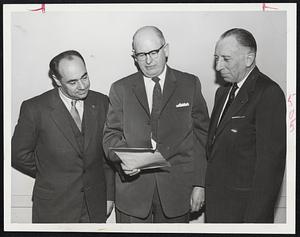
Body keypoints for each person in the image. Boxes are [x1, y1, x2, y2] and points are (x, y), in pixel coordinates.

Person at [103, 26, 209, 223]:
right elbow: (110, 136)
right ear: (134, 57)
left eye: (153, 52)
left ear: (166, 50)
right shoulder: (120, 88)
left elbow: (202, 138)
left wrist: (200, 184)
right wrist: (124, 159)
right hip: (132, 195)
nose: (148, 60)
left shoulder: (190, 84)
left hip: (177, 192)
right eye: (141, 55)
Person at [12, 50, 114, 223]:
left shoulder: (102, 102)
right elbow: (18, 155)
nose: (82, 86)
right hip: (53, 207)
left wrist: (109, 195)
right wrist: (49, 172)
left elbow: (107, 155)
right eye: (73, 82)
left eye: (85, 77)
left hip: (95, 206)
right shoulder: (34, 108)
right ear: (57, 80)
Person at [205, 28, 286, 223]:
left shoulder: (268, 93)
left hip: (245, 214)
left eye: (226, 58)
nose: (218, 66)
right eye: (216, 58)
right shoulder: (222, 94)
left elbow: (269, 170)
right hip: (217, 209)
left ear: (249, 59)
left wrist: (253, 223)